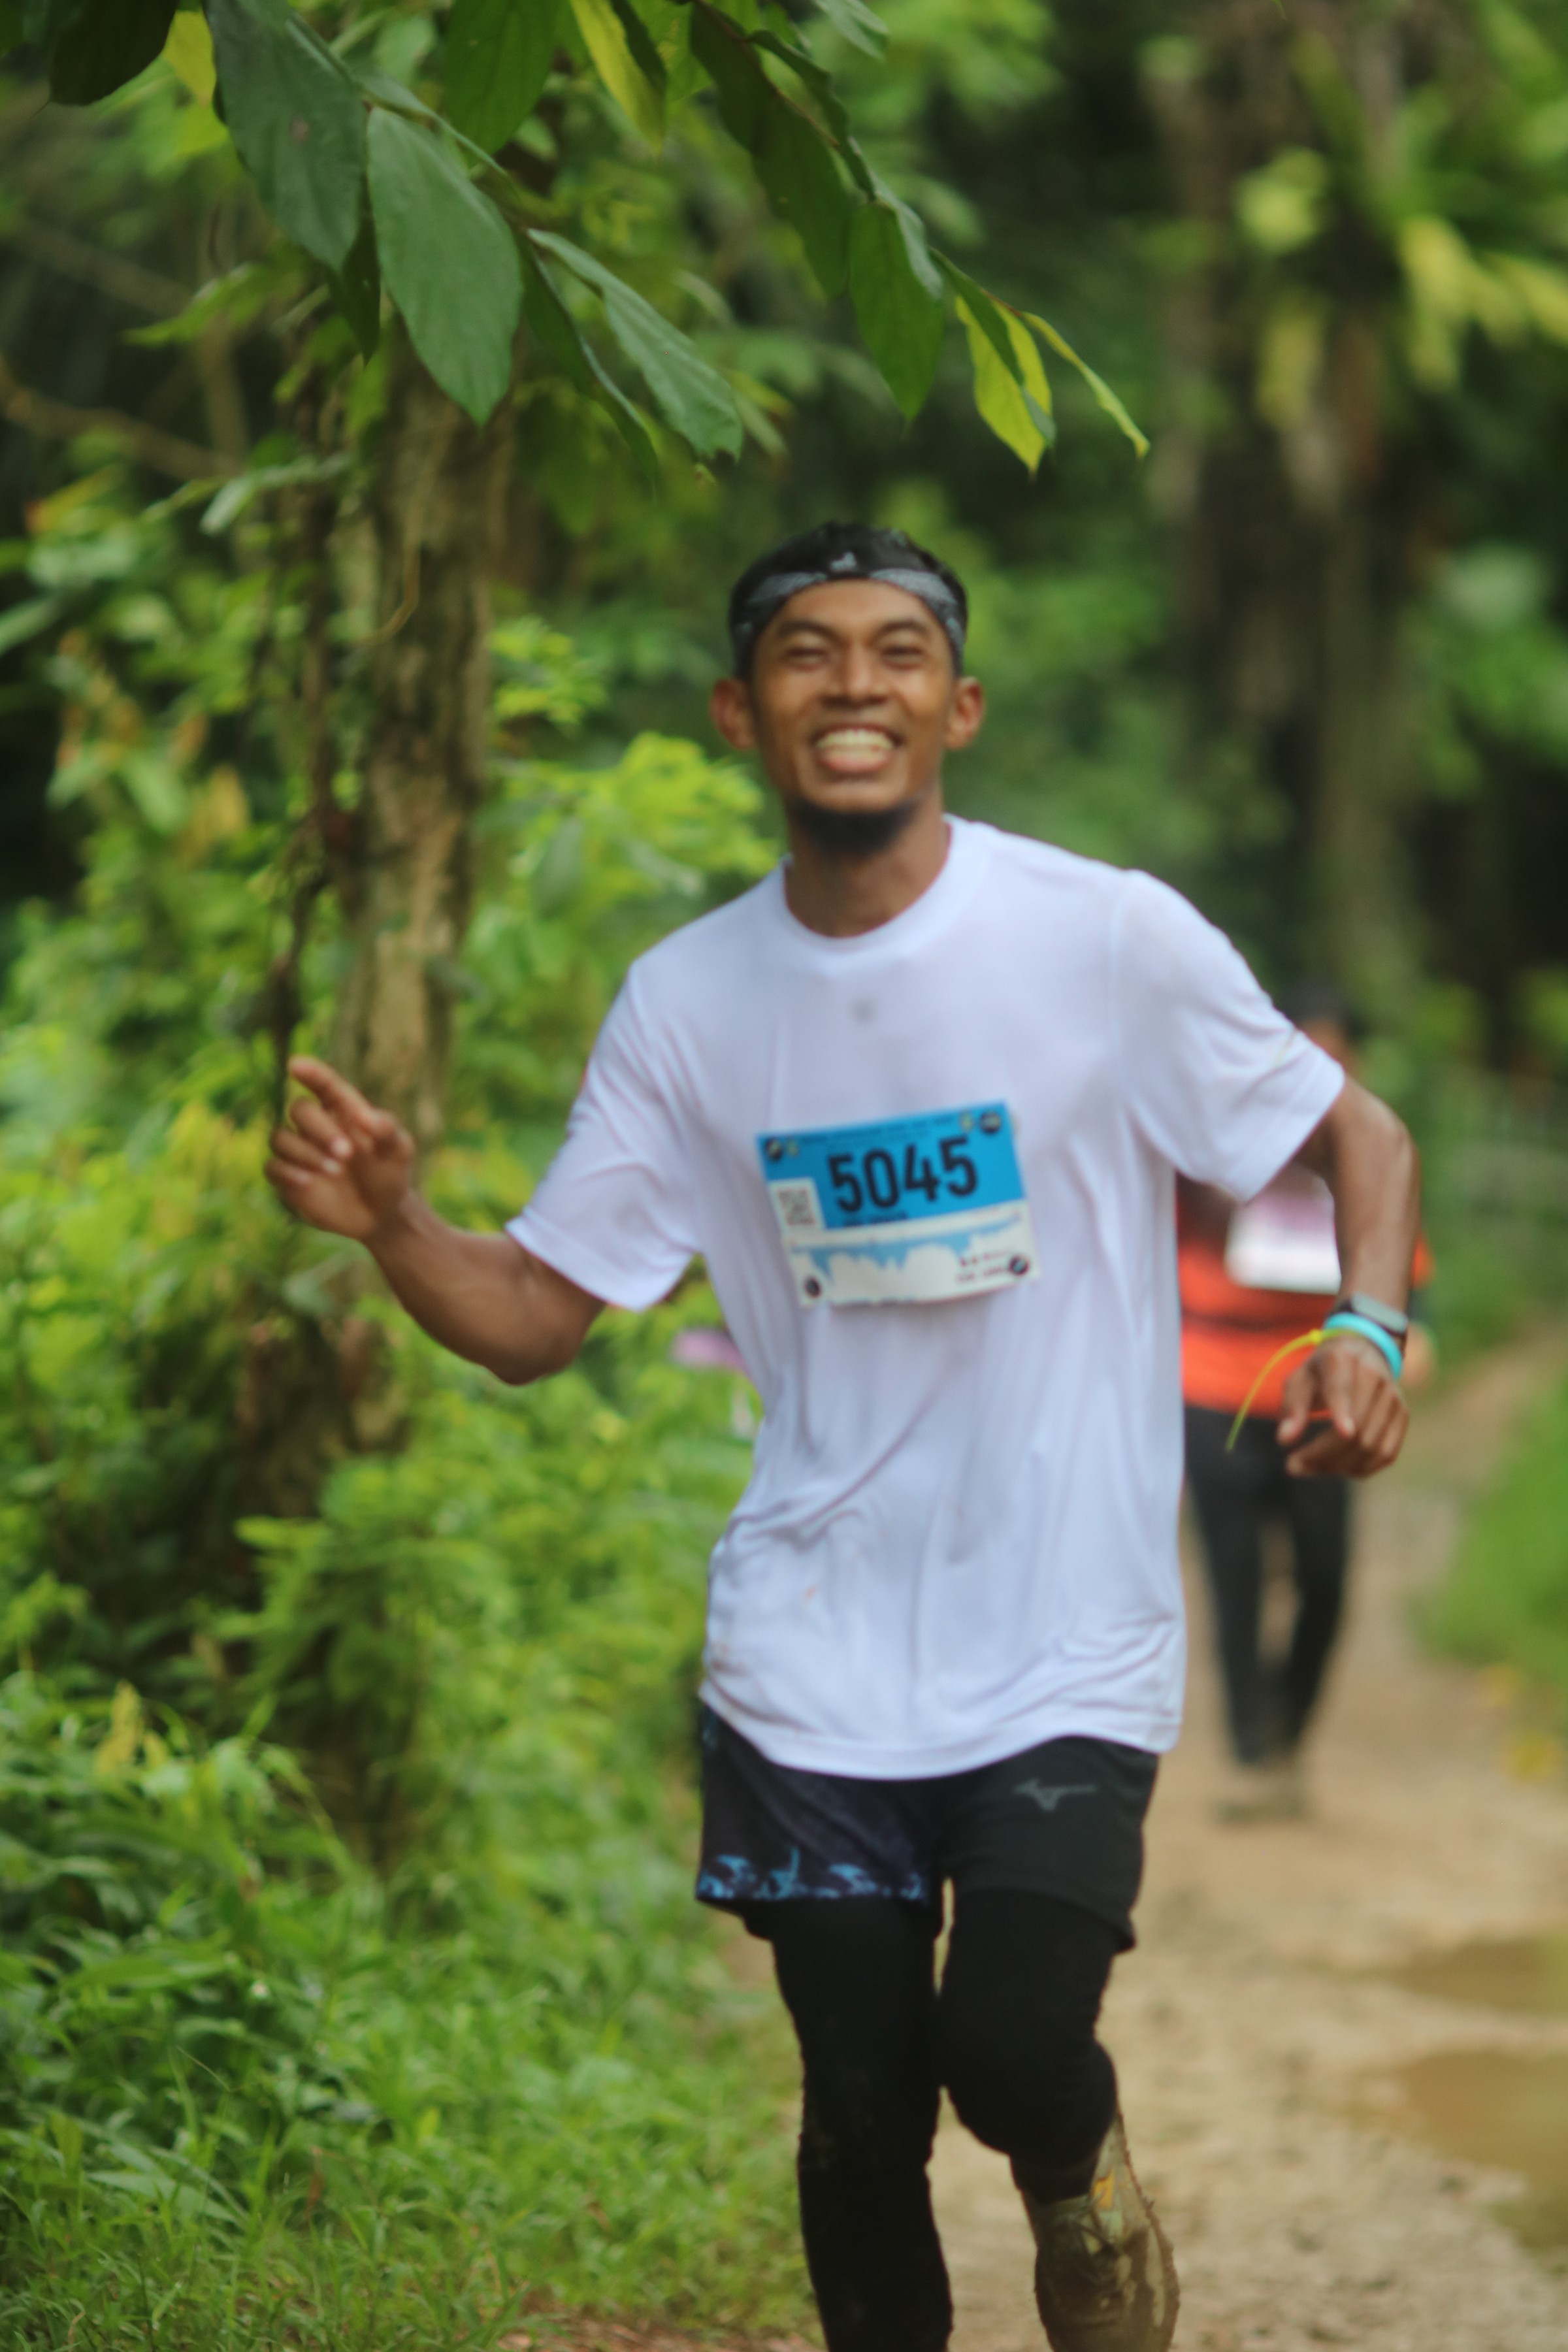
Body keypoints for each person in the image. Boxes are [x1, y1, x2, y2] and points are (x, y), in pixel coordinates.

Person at [265, 522, 1421, 2352]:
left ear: (958, 707)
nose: (854, 683)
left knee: (1013, 2047)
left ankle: (1079, 2172)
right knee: (860, 2105)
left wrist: (1364, 1323)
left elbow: (1358, 1133)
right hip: (811, 1646)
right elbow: (537, 1316)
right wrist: (399, 1223)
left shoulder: (1101, 936)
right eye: (807, 652)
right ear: (741, 712)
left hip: (1061, 1632)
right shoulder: (686, 1003)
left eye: (897, 651)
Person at [1178, 984, 1433, 1821]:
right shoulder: (1208, 1136)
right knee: (1235, 1572)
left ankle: (1289, 1725)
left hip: (1326, 1386)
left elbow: (1406, 1268)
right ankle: (1254, 1750)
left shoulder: (1362, 1149)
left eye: (1336, 1057)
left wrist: (1409, 1337)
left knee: (1325, 1571)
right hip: (1213, 1379)